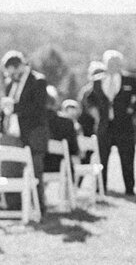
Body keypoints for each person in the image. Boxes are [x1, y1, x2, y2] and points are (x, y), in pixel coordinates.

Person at [82, 49, 136, 196]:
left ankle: (130, 189)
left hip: (124, 126)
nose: (113, 65)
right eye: (110, 63)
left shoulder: (131, 80)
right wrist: (95, 113)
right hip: (104, 126)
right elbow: (88, 99)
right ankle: (101, 187)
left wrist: (132, 110)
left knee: (127, 158)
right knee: (102, 158)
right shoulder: (97, 81)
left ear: (120, 64)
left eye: (116, 62)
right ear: (105, 64)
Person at [0, 50, 49, 212]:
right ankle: (14, 207)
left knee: (35, 170)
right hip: (12, 134)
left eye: (13, 71)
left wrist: (15, 107)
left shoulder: (38, 81)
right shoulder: (9, 84)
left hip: (33, 133)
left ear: (21, 66)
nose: (11, 75)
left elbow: (38, 108)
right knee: (10, 169)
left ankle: (38, 207)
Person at [44, 86, 79, 173]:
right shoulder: (67, 122)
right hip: (62, 169)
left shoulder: (34, 124)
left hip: (39, 169)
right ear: (55, 103)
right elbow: (74, 150)